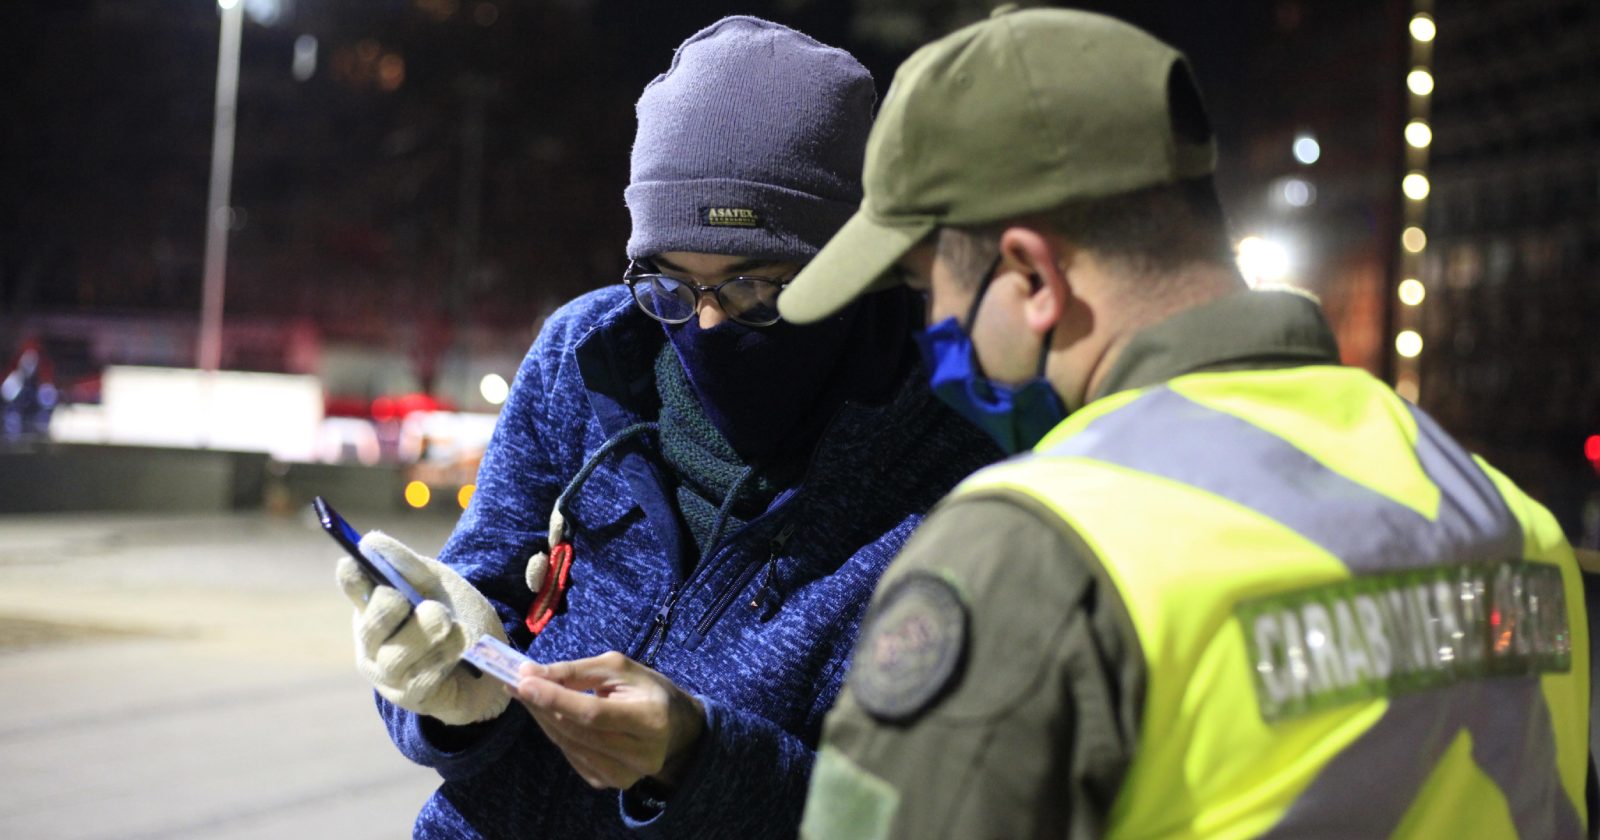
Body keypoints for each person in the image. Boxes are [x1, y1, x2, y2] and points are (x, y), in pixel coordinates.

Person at [778, 8, 1591, 839]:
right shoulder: (1504, 516)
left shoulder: (1036, 548)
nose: (932, 331)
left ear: (1029, 276)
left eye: (925, 290)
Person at [333, 16, 997, 839]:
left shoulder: (957, 468)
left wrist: (700, 761)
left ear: (854, 263)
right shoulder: (587, 355)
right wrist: (437, 696)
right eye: (672, 284)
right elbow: (482, 603)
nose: (709, 326)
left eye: (757, 286)